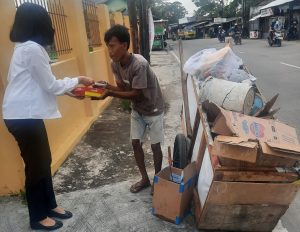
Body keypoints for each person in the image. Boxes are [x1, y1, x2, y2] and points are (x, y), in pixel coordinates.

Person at [2, 3, 94, 231]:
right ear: (40, 24)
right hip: (23, 117)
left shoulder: (25, 47)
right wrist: (78, 80)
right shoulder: (31, 48)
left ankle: (49, 205)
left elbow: (42, 85)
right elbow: (50, 84)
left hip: (25, 115)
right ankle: (37, 217)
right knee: (36, 165)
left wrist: (71, 92)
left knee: (43, 161)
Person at [95, 25, 164, 194]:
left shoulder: (139, 64)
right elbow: (122, 88)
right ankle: (145, 179)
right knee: (135, 143)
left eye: (112, 46)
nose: (109, 51)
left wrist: (110, 93)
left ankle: (157, 179)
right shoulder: (115, 65)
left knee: (155, 147)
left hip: (153, 107)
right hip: (138, 109)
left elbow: (137, 94)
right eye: (107, 46)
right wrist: (106, 86)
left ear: (125, 45)